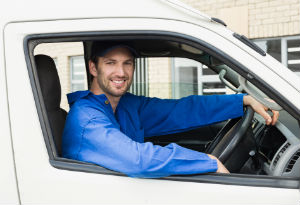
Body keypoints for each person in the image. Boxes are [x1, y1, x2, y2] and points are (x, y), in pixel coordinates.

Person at [62, 41, 279, 178]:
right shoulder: (86, 118)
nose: (121, 72)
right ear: (93, 67)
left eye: (127, 63)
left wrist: (242, 100)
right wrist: (208, 161)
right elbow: (137, 160)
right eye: (111, 63)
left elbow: (180, 110)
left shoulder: (126, 105)